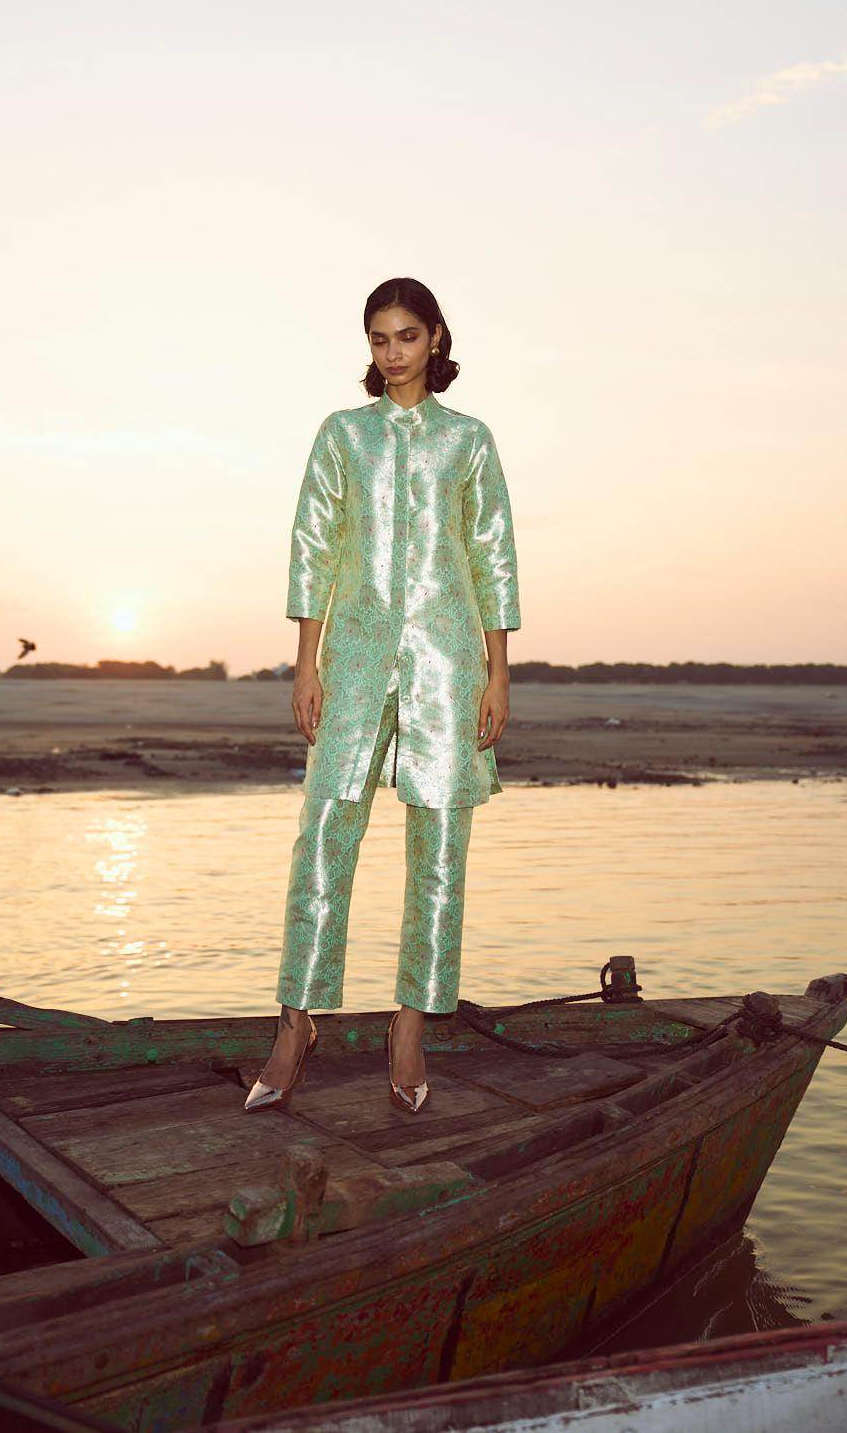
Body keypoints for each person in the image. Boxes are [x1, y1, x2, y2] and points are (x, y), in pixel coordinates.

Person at [245, 277, 521, 1115]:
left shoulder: (468, 440)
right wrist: (305, 663)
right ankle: (296, 1022)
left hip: (448, 658)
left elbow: (492, 553)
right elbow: (312, 545)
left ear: (435, 338)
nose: (391, 352)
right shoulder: (343, 435)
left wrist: (498, 670)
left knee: (439, 848)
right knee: (324, 831)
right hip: (355, 657)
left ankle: (409, 1027)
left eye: (405, 335)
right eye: (378, 338)